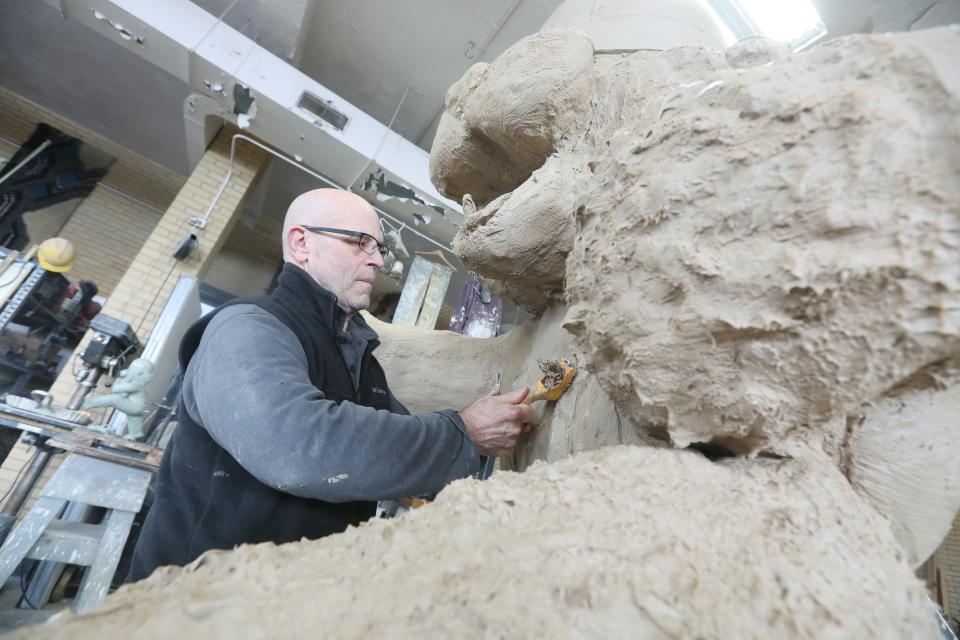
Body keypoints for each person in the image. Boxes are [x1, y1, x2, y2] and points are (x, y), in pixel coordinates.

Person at [127, 189, 534, 581]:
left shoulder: (360, 359)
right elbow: (297, 445)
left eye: (380, 249)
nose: (378, 261)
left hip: (293, 601)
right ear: (302, 243)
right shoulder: (248, 327)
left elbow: (400, 453)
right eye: (361, 243)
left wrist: (482, 449)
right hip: (195, 604)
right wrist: (463, 432)